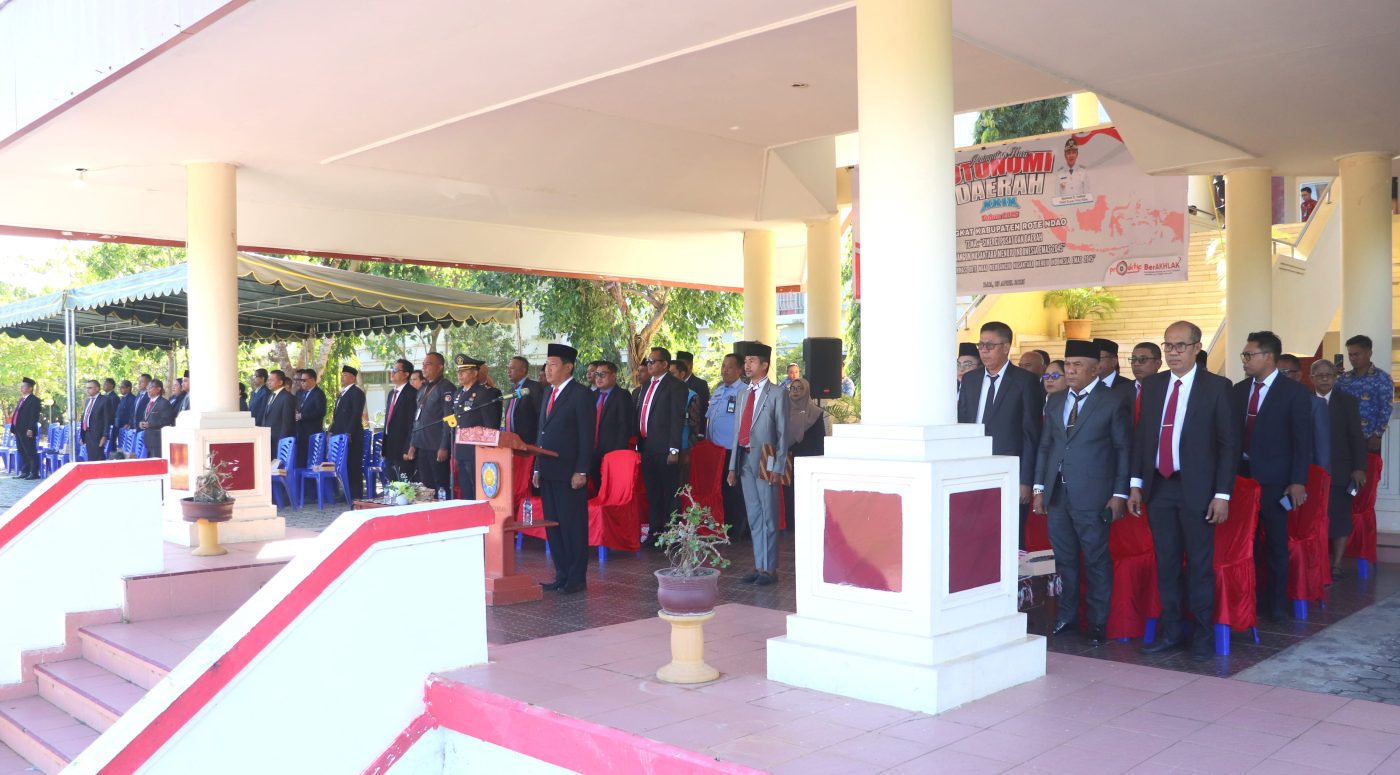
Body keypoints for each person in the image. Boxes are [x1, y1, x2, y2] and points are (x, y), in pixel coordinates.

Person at [1130, 322, 1237, 660]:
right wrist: (1135, 484)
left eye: (1180, 346)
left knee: (1200, 566)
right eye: (1168, 346)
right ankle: (1172, 631)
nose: (1173, 352)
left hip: (1199, 490)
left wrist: (1222, 494)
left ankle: (1203, 636)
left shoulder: (1217, 387)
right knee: (1167, 563)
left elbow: (1229, 445)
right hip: (1159, 487)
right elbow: (1142, 438)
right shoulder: (1153, 385)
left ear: (1196, 348)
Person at [1033, 339, 1129, 646]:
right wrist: (1039, 487)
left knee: (1095, 559)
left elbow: (1123, 449)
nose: (1070, 370)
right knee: (1064, 559)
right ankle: (1068, 615)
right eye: (1068, 364)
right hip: (1057, 494)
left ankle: (1098, 621)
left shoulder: (1112, 401)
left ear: (1095, 369)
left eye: (1077, 365)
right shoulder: (1056, 400)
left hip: (1094, 494)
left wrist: (1120, 493)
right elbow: (1046, 446)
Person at [1235, 330, 1313, 621]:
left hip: (1275, 480)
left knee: (1277, 544)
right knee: (1246, 543)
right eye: (1244, 354)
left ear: (1268, 357)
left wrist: (1298, 481)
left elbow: (1302, 441)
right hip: (1241, 477)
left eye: (1249, 354)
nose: (1244, 360)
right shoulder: (1239, 390)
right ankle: (1249, 600)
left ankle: (1277, 604)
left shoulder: (1293, 392)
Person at [957, 321, 1045, 548]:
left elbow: (1030, 434)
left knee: (1008, 534)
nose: (984, 350)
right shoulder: (970, 380)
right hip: (973, 469)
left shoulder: (1025, 381)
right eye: (981, 345)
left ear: (1006, 347)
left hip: (1009, 471)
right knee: (974, 533)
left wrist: (1026, 480)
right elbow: (963, 423)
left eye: (990, 345)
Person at [533, 343, 595, 595]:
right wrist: (537, 467)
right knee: (554, 525)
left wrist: (582, 470)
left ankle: (576, 578)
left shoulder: (581, 394)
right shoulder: (548, 392)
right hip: (548, 471)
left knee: (572, 526)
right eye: (546, 365)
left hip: (569, 473)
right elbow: (541, 432)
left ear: (568, 367)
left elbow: (587, 436)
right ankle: (561, 574)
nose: (547, 370)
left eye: (553, 365)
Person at [727, 341, 786, 586]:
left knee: (769, 515)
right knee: (754, 515)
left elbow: (783, 433)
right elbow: (736, 432)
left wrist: (778, 467)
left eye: (752, 361)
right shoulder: (743, 393)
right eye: (746, 361)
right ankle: (759, 565)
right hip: (744, 458)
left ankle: (770, 569)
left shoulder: (777, 393)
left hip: (765, 459)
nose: (747, 365)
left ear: (764, 365)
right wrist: (732, 466)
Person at [1311, 358, 1368, 579]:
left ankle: (1336, 564)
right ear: (1312, 378)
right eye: (1320, 375)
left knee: (1339, 517)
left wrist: (1359, 467)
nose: (1325, 379)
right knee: (1312, 518)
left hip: (1340, 470)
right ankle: (1316, 561)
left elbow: (1356, 437)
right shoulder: (1303, 400)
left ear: (1335, 378)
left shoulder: (1347, 402)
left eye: (1329, 375)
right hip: (1310, 471)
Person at [636, 347, 687, 547]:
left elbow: (677, 419)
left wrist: (674, 449)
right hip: (647, 446)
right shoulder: (646, 385)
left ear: (665, 364)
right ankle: (655, 534)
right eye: (648, 361)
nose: (649, 365)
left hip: (666, 449)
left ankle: (671, 535)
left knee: (669, 493)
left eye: (653, 361)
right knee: (653, 492)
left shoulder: (676, 385)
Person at [707, 353, 750, 540]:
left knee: (734, 491)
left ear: (740, 370)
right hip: (716, 451)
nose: (724, 370)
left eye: (729, 367)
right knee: (721, 491)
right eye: (723, 366)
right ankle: (725, 526)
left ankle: (737, 530)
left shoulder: (745, 391)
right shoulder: (718, 390)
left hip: (734, 450)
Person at [446, 355, 501, 500]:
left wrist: (488, 450)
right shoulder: (458, 393)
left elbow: (491, 425)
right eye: (458, 372)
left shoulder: (486, 393)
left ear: (475, 373)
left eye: (464, 371)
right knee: (466, 490)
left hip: (477, 451)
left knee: (479, 489)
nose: (460, 375)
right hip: (461, 449)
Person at [781, 377, 827, 530]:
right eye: (793, 388)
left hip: (806, 460)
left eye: (800, 388)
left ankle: (804, 525)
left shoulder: (815, 413)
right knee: (787, 494)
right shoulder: (783, 411)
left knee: (804, 494)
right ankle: (789, 525)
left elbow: (819, 441)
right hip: (786, 458)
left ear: (806, 391)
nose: (796, 391)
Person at [1336, 334, 1392, 453]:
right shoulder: (1343, 379)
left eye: (1357, 354)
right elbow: (1333, 402)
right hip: (1344, 438)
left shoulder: (1382, 378)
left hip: (1369, 439)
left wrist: (1377, 435)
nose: (1353, 358)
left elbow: (1386, 408)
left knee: (1369, 466)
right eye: (1350, 355)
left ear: (1369, 353)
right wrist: (1332, 375)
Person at [408, 352, 454, 493]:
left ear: (440, 367)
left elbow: (449, 419)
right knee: (426, 487)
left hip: (436, 447)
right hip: (421, 446)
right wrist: (413, 444)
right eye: (423, 365)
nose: (424, 367)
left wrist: (444, 446)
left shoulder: (447, 388)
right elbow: (417, 418)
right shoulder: (423, 388)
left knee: (441, 487)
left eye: (428, 364)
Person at [1279, 354, 1330, 470]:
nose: (1279, 377)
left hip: (1303, 470)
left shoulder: (1316, 404)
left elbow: (1322, 448)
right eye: (1275, 373)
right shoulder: (1268, 401)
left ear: (1298, 375)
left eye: (1284, 372)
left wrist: (1321, 475)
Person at [589, 360, 634, 490]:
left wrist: (618, 451)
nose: (598, 378)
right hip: (592, 451)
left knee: (611, 488)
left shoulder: (622, 395)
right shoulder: (591, 396)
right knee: (596, 487)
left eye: (602, 374)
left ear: (614, 376)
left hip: (612, 451)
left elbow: (624, 426)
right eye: (596, 374)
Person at [330, 365, 367, 499]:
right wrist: (331, 431)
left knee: (353, 465)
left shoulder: (356, 392)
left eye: (345, 375)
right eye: (342, 375)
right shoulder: (343, 393)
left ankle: (356, 495)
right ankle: (347, 493)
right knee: (344, 465)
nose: (342, 377)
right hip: (339, 435)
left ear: (352, 378)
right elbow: (338, 416)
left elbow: (356, 414)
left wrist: (348, 432)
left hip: (352, 436)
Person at [381, 358, 418, 485]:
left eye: (396, 370)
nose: (392, 372)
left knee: (404, 486)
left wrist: (408, 447)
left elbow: (413, 423)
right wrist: (384, 448)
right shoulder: (391, 393)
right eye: (392, 369)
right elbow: (388, 422)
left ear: (406, 374)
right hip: (389, 447)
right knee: (392, 485)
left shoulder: (412, 394)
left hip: (402, 448)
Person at [502, 356, 543, 444]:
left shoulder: (535, 388)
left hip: (528, 443)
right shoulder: (510, 391)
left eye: (512, 368)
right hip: (510, 442)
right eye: (508, 368)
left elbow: (540, 416)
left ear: (523, 370)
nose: (508, 371)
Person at [259, 370, 296, 460]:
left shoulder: (287, 397)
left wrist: (282, 442)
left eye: (272, 380)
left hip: (279, 440)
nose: (269, 382)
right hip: (268, 438)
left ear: (280, 382)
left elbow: (287, 422)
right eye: (268, 380)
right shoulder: (271, 395)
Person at [293, 369, 326, 468]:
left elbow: (320, 412)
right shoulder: (300, 393)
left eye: (304, 380)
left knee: (310, 461)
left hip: (312, 432)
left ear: (312, 380)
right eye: (300, 380)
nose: (301, 383)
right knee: (300, 461)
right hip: (300, 432)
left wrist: (302, 416)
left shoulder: (318, 394)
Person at [10, 377, 40, 479]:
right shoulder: (22, 399)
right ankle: (25, 471)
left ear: (30, 388)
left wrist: (30, 428)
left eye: (23, 386)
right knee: (22, 451)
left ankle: (34, 473)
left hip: (27, 430)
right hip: (18, 429)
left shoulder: (34, 400)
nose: (21, 388)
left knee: (30, 451)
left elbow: (33, 416)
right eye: (21, 386)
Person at [79, 379, 115, 462]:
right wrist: (82, 435)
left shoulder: (104, 400)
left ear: (97, 388)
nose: (88, 390)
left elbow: (107, 420)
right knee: (90, 458)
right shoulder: (88, 400)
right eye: (87, 388)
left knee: (98, 458)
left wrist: (105, 436)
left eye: (90, 388)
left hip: (98, 435)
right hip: (87, 433)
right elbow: (85, 417)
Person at [139, 379, 176, 459]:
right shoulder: (149, 402)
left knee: (156, 462)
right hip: (148, 439)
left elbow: (166, 421)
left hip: (157, 440)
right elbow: (145, 418)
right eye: (148, 387)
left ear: (159, 389)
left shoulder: (164, 403)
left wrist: (150, 424)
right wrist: (142, 423)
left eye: (151, 387)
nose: (148, 390)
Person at [1129, 342, 1163, 425]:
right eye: (1133, 359)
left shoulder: (1167, 390)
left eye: (1142, 360)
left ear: (1158, 364)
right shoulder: (1120, 390)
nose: (1136, 364)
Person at [1056, 135, 1091, 199]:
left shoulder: (1083, 171)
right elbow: (1057, 195)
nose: (1071, 155)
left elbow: (1087, 194)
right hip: (1065, 205)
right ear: (1065, 155)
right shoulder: (1059, 173)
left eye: (1073, 152)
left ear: (1077, 154)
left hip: (1080, 205)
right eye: (1068, 153)